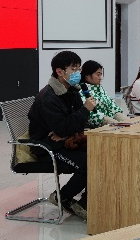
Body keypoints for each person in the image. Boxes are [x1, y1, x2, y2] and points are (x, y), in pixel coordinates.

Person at [27, 51, 96, 220]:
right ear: (59, 71)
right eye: (73, 69)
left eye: (79, 69)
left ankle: (85, 202)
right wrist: (84, 111)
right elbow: (64, 127)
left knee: (100, 153)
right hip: (47, 146)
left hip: (65, 141)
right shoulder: (48, 97)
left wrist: (67, 132)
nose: (78, 73)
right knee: (89, 162)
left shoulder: (71, 90)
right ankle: (62, 196)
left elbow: (76, 124)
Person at [80, 61, 127, 127]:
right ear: (87, 76)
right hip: (97, 122)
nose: (100, 78)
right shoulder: (82, 90)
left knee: (128, 123)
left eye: (101, 75)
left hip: (108, 118)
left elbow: (111, 104)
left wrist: (118, 114)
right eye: (98, 75)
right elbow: (91, 114)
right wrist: (107, 120)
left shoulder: (100, 88)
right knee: (118, 127)